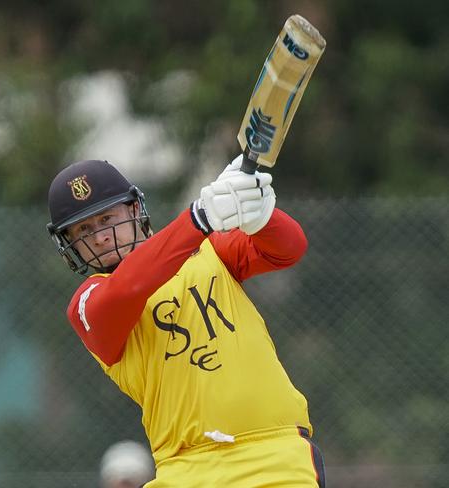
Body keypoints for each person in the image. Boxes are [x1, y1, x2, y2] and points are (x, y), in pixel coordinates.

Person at [46, 156, 325, 487]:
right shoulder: (88, 302)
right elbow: (128, 287)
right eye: (83, 229)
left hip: (274, 454)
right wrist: (199, 217)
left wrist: (260, 214)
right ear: (69, 243)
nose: (99, 237)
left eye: (106, 218)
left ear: (135, 210)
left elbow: (288, 249)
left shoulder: (209, 250)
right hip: (186, 469)